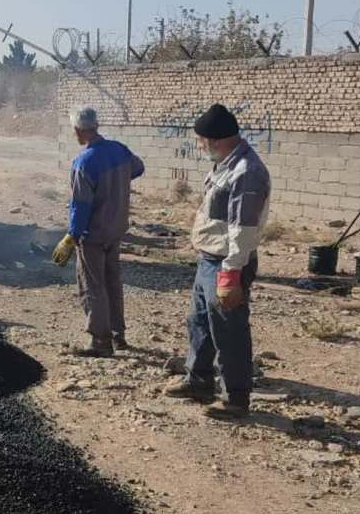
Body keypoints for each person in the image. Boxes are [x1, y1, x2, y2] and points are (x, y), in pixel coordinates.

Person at [165, 103, 271, 420]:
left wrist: (231, 273)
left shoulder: (246, 173)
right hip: (209, 259)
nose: (199, 146)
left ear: (215, 140)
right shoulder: (226, 164)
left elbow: (243, 228)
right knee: (199, 323)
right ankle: (199, 381)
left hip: (227, 263)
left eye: (201, 141)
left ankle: (235, 398)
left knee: (230, 331)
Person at [52, 107, 145, 358]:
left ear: (78, 131)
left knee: (92, 285)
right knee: (113, 281)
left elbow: (80, 205)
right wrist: (117, 185)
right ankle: (118, 335)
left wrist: (72, 235)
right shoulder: (119, 150)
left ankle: (100, 341)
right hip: (116, 230)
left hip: (93, 235)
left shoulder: (84, 162)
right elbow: (138, 168)